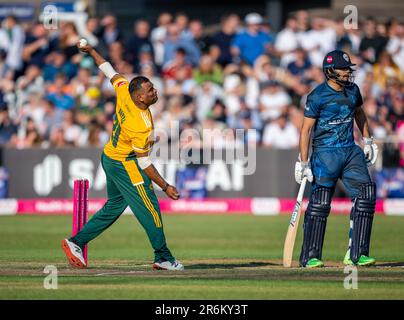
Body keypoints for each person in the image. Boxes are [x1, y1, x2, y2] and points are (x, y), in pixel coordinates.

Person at [62, 41, 184, 271]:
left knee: (115, 205)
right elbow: (144, 163)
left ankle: (75, 242)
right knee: (150, 208)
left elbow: (107, 68)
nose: (155, 91)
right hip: (125, 163)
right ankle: (163, 257)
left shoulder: (123, 89)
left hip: (109, 156)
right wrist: (166, 186)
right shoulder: (141, 124)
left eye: (153, 87)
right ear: (140, 97)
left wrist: (90, 51)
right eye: (150, 91)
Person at [295, 50, 379, 268]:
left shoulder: (353, 91)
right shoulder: (317, 96)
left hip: (350, 150)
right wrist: (303, 163)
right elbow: (305, 131)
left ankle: (357, 253)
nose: (347, 73)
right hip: (325, 153)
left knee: (366, 195)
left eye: (348, 69)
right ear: (330, 71)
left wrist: (368, 140)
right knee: (320, 203)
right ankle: (310, 255)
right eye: (343, 69)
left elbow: (359, 113)